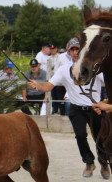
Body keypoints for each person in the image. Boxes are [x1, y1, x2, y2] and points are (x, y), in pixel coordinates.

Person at [27, 37, 110, 179]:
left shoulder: (95, 67)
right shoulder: (64, 70)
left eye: (77, 48)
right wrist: (37, 85)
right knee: (80, 136)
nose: (75, 52)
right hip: (76, 108)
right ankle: (89, 162)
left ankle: (103, 163)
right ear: (68, 52)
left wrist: (106, 103)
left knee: (99, 138)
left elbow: (108, 83)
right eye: (72, 49)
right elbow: (49, 85)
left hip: (95, 108)